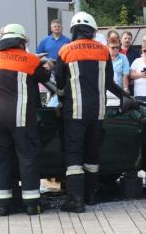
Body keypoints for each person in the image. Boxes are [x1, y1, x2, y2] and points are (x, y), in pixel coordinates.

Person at [56, 12, 136, 213]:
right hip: (98, 111)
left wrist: (61, 99)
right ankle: (91, 196)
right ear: (92, 31)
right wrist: (125, 97)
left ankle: (75, 199)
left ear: (74, 30)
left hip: (75, 111)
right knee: (92, 153)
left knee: (74, 155)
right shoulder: (103, 50)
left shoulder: (65, 50)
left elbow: (58, 83)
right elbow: (109, 82)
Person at [0, 23, 52, 216]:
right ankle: (32, 204)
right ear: (21, 41)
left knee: (1, 160)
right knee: (27, 158)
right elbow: (45, 75)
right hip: (21, 118)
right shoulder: (29, 59)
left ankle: (2, 205)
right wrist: (45, 64)